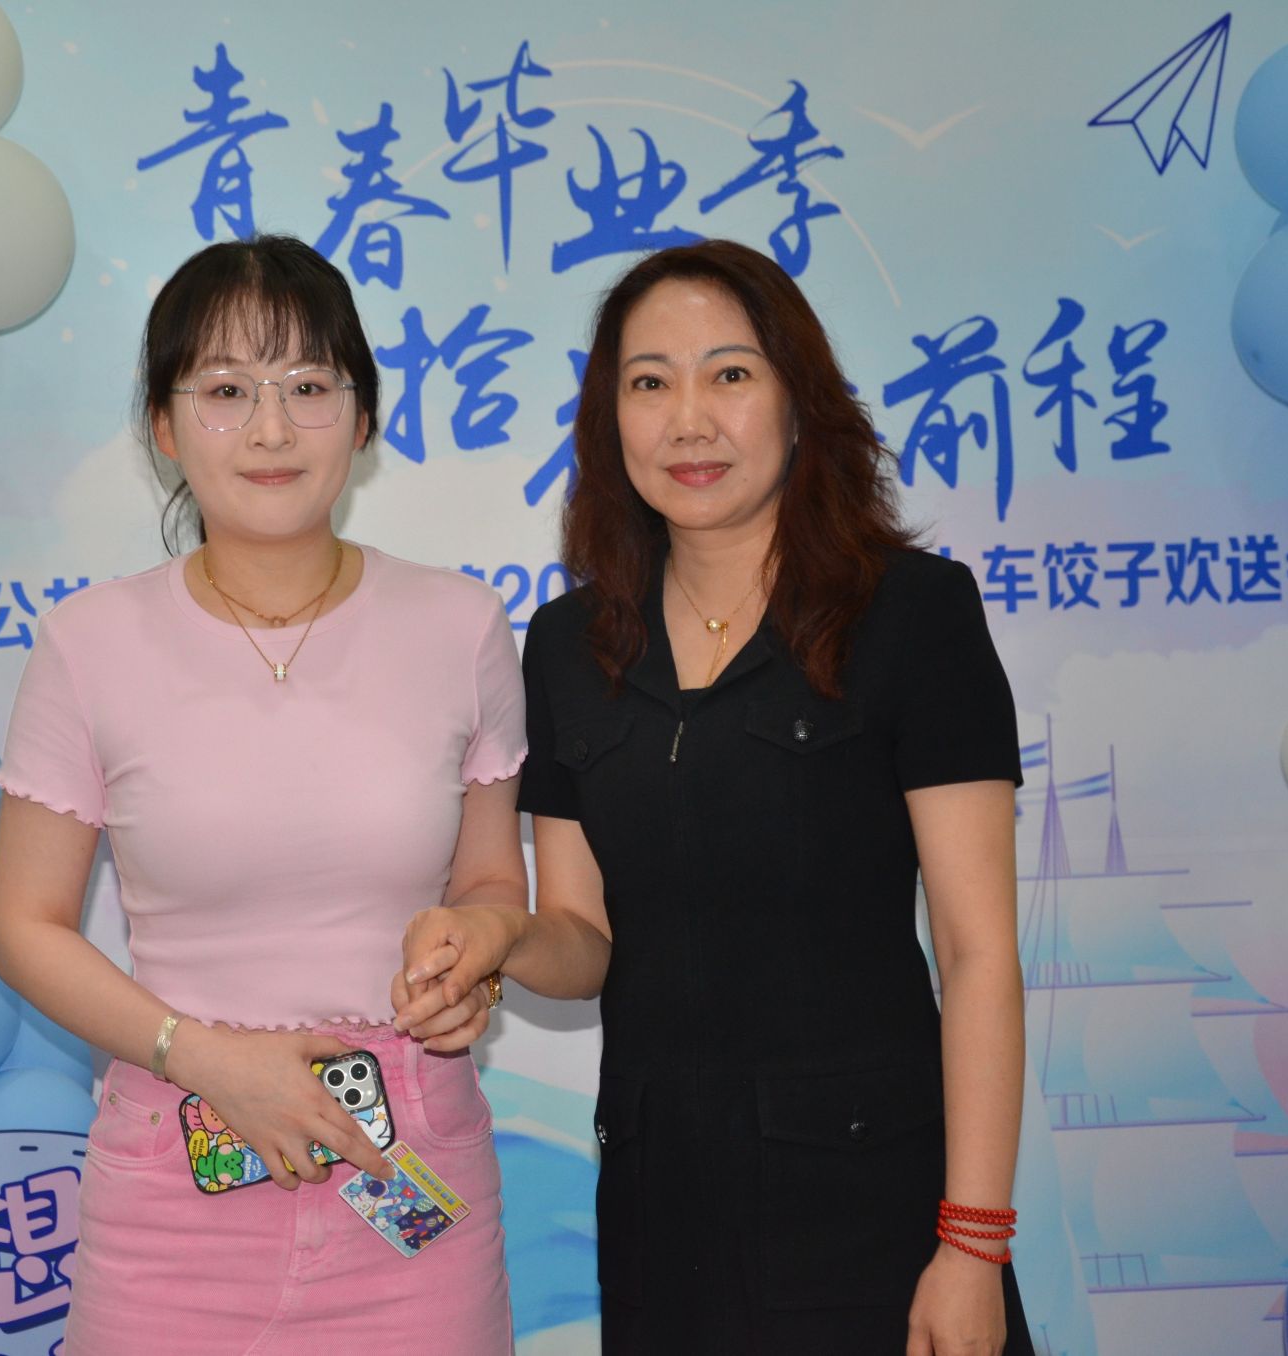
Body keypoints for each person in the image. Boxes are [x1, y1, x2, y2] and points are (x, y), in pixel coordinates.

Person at [394, 239, 1033, 1353]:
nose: (688, 421)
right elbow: (583, 935)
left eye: (729, 374)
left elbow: (978, 955)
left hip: (873, 1207)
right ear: (609, 421)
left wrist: (971, 1246)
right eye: (649, 383)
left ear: (799, 402)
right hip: (663, 1212)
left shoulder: (909, 615)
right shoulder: (571, 644)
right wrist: (501, 935)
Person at [0, 234, 526, 1354]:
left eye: (308, 387)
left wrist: (471, 953)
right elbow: (26, 927)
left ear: (363, 418)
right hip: (174, 1183)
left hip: (406, 1169)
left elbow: (488, 879)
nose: (271, 429)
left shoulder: (461, 625)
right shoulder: (89, 642)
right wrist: (204, 1055)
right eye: (226, 391)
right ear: (163, 426)